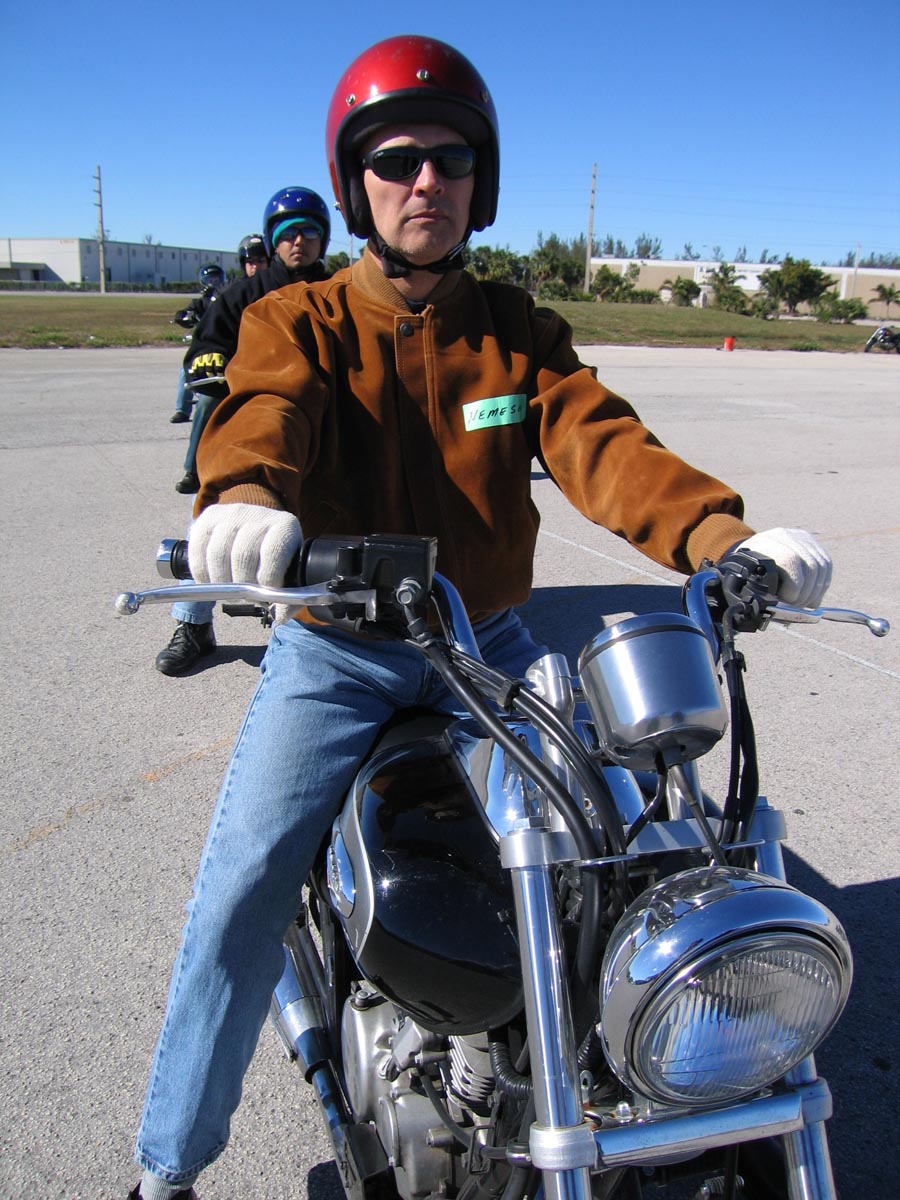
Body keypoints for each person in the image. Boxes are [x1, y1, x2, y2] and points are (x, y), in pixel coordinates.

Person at [127, 35, 833, 1199]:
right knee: (241, 890)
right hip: (339, 653)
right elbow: (262, 414)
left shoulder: (515, 331)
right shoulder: (299, 320)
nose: (425, 182)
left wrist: (724, 537)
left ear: (480, 180)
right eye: (395, 160)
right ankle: (167, 1169)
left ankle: (605, 1079)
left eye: (449, 159)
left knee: (608, 852)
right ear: (355, 183)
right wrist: (244, 498)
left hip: (484, 646)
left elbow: (607, 446)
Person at [154, 187, 332, 676]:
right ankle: (193, 623)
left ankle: (322, 633)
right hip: (251, 430)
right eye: (289, 233)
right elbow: (205, 344)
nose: (299, 241)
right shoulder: (241, 295)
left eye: (310, 232)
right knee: (217, 518)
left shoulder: (339, 293)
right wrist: (210, 362)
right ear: (273, 241)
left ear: (324, 239)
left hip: (322, 428)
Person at [168, 264, 226, 424]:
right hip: (204, 345)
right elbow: (184, 312)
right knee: (185, 371)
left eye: (217, 279)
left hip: (224, 344)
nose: (213, 283)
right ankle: (182, 410)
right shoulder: (200, 303)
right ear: (203, 281)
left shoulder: (226, 299)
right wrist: (183, 316)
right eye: (210, 280)